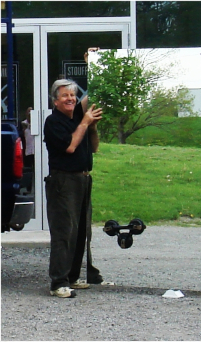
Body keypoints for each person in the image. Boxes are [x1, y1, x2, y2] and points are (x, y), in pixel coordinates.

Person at [43, 78, 105, 298]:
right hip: (63, 181)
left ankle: (72, 277)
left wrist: (94, 66)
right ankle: (58, 283)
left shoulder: (80, 119)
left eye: (72, 95)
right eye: (64, 96)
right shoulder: (53, 122)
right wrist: (85, 123)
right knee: (64, 232)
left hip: (83, 179)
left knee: (81, 232)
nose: (70, 99)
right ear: (55, 101)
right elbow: (70, 147)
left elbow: (94, 147)